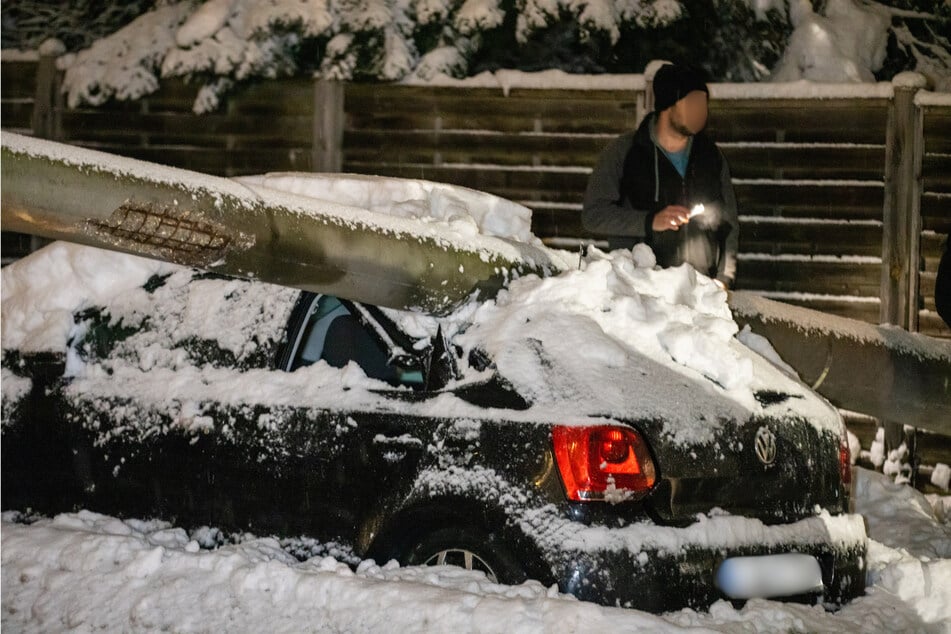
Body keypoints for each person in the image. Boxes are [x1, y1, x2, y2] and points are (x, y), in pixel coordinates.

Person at [582, 63, 738, 289]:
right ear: (668, 105)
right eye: (693, 103)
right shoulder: (626, 152)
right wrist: (649, 221)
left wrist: (723, 279)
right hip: (642, 293)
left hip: (700, 290)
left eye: (704, 104)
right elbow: (594, 215)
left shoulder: (710, 156)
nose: (702, 112)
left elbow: (729, 222)